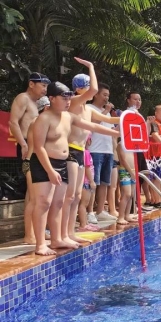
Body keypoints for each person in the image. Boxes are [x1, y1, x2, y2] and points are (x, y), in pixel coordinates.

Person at [30, 81, 124, 256]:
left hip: (62, 163)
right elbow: (39, 147)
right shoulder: (43, 118)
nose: (68, 101)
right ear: (52, 98)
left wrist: (118, 133)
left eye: (69, 98)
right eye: (64, 98)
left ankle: (57, 239)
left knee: (58, 203)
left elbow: (93, 126)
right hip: (44, 163)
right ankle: (40, 244)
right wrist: (50, 170)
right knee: (43, 203)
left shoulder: (69, 117)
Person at [63, 61, 120, 245]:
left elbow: (107, 121)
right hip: (70, 150)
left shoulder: (87, 109)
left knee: (77, 196)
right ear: (79, 89)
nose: (91, 91)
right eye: (87, 87)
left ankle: (70, 232)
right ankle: (64, 233)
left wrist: (129, 119)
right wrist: (91, 67)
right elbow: (95, 89)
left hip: (81, 152)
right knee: (70, 195)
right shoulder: (74, 102)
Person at [10, 73, 51, 244]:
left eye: (47, 86)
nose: (45, 89)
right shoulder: (23, 98)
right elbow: (13, 122)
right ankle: (30, 234)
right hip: (28, 146)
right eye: (43, 85)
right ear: (31, 84)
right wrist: (23, 144)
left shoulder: (38, 104)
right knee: (32, 193)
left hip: (37, 147)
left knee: (37, 193)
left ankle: (37, 230)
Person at [87, 82, 119, 222]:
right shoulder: (89, 108)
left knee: (105, 182)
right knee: (93, 182)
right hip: (95, 150)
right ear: (96, 94)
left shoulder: (108, 114)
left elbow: (112, 132)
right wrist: (106, 111)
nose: (107, 98)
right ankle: (90, 211)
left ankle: (100, 211)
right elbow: (93, 125)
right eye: (104, 95)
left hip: (108, 151)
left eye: (108, 95)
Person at [77, 135, 99, 232]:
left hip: (86, 181)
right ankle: (83, 224)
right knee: (83, 204)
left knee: (84, 204)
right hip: (86, 182)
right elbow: (87, 168)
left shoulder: (84, 152)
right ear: (88, 141)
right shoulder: (85, 153)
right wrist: (91, 181)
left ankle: (85, 223)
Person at [115, 138, 138, 225]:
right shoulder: (121, 144)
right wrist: (131, 172)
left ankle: (127, 215)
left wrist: (134, 171)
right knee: (126, 194)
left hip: (133, 171)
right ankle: (120, 217)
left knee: (131, 195)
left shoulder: (131, 144)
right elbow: (123, 160)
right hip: (124, 171)